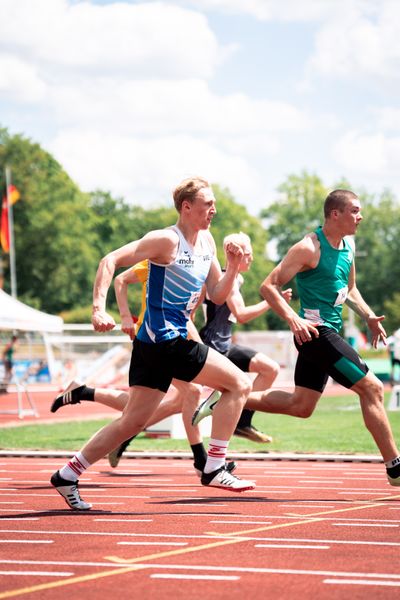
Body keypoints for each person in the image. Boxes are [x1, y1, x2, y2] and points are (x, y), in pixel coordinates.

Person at [50, 176, 255, 511]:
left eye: (214, 203)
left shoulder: (207, 243)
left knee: (132, 421)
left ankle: (67, 474)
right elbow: (110, 261)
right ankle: (214, 465)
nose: (214, 209)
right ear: (187, 207)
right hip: (167, 340)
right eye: (208, 204)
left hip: (152, 345)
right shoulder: (165, 241)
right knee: (239, 384)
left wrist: (232, 268)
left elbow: (217, 294)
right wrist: (99, 308)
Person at [246, 188, 399, 487]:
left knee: (301, 406)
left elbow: (350, 288)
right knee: (372, 388)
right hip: (316, 334)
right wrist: (293, 318)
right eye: (354, 210)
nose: (360, 216)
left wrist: (367, 315)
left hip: (325, 333)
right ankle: (395, 466)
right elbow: (268, 286)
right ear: (335, 214)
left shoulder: (349, 246)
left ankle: (232, 395)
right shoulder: (308, 247)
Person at [51, 260, 232, 476]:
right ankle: (201, 460)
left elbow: (189, 315)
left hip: (174, 340)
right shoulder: (161, 260)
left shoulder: (196, 266)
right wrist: (125, 316)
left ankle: (85, 394)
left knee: (144, 409)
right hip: (154, 339)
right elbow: (120, 278)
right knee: (190, 393)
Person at [192, 232, 292, 441]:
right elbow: (242, 314)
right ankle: (128, 433)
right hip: (212, 346)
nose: (251, 258)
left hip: (225, 344)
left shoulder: (238, 278)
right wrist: (273, 301)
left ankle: (242, 422)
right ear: (234, 254)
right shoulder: (223, 278)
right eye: (248, 253)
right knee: (178, 402)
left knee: (269, 369)